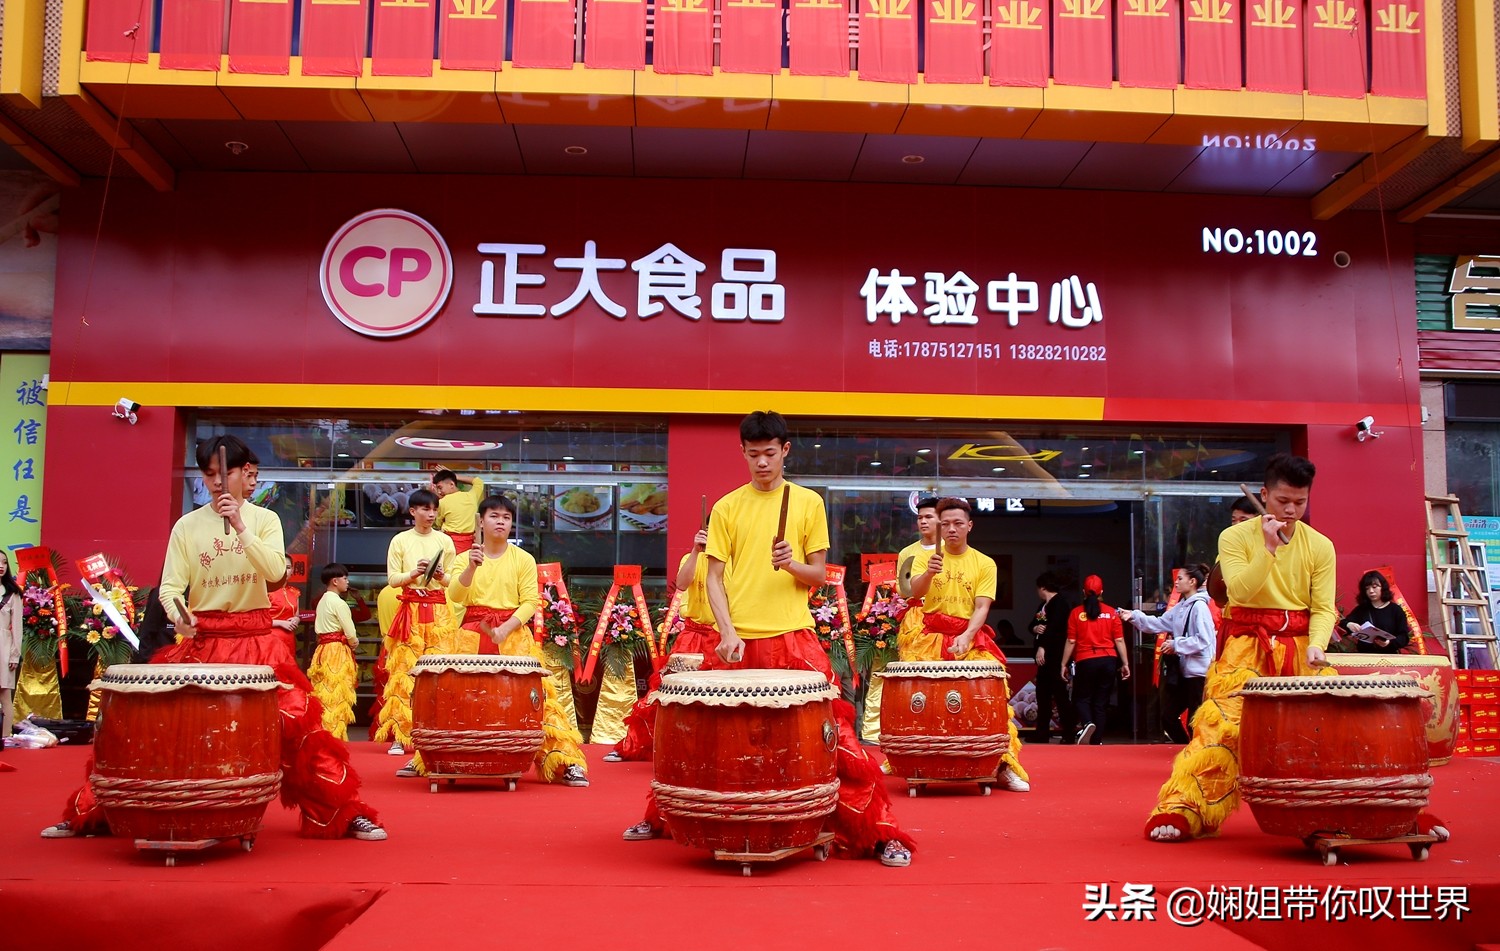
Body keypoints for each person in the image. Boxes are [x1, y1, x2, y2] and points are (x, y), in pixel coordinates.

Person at [43, 435, 384, 841]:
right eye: (209, 475)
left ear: (245, 473)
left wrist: (240, 526)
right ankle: (100, 809)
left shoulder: (264, 520)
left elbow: (276, 574)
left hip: (257, 640)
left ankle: (340, 811)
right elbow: (171, 588)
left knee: (298, 725)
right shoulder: (187, 526)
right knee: (149, 725)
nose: (217, 482)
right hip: (202, 641)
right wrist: (180, 616)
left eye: (226, 473)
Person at [623, 411, 916, 868]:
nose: (762, 462)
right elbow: (712, 577)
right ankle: (668, 816)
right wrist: (726, 631)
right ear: (742, 452)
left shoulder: (807, 503)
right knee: (701, 736)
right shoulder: (727, 507)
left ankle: (879, 832)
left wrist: (791, 563)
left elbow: (818, 575)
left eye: (770, 453)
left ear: (785, 451)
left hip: (791, 638)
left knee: (832, 735)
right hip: (735, 642)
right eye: (754, 454)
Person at [1143, 453, 1417, 843]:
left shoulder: (1319, 545)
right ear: (1264, 495)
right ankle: (1186, 806)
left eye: (1300, 503)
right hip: (1246, 644)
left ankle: (1382, 811)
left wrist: (1318, 645)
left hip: (1300, 645)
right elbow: (1239, 592)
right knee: (1222, 726)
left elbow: (1322, 607)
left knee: (1340, 728)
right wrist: (1268, 549)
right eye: (1282, 501)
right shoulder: (1234, 537)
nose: (1290, 511)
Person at [447, 495, 589, 787]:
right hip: (471, 635)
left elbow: (530, 602)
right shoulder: (464, 558)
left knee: (537, 699)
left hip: (512, 636)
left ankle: (565, 761)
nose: (500, 522)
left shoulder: (523, 559)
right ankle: (434, 756)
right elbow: (456, 596)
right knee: (456, 695)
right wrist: (471, 568)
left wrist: (505, 628)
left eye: (506, 517)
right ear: (481, 521)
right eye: (494, 516)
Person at [904, 497, 1030, 790]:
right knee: (923, 701)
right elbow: (914, 593)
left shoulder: (984, 563)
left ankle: (1001, 765)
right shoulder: (925, 557)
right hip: (930, 637)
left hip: (969, 636)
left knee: (991, 699)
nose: (951, 529)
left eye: (958, 523)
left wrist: (968, 635)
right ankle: (915, 760)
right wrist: (929, 572)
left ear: (969, 526)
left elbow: (982, 606)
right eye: (945, 523)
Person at [605, 526, 717, 762]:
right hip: (693, 636)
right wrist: (696, 552)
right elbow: (683, 585)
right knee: (666, 692)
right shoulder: (692, 557)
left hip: (724, 637)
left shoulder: (737, 559)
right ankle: (636, 745)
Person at [374, 487, 462, 760]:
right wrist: (414, 573)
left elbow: (454, 582)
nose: (431, 514)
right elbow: (392, 579)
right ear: (413, 511)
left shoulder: (445, 541)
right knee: (403, 671)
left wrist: (441, 575)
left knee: (442, 671)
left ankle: (441, 732)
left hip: (439, 610)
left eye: (434, 509)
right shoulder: (400, 540)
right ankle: (400, 736)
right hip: (410, 610)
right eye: (425, 509)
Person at [859, 497, 938, 742]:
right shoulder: (907, 552)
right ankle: (911, 731)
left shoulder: (952, 550)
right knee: (912, 676)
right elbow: (904, 590)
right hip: (914, 621)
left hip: (944, 620)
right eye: (920, 517)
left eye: (929, 517)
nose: (923, 522)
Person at [1122, 565, 1216, 745]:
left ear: (1192, 581)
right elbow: (1159, 623)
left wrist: (1176, 644)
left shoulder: (1199, 607)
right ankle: (1186, 748)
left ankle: (1194, 751)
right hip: (1186, 672)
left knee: (1194, 720)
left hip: (1199, 673)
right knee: (1169, 716)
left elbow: (1204, 640)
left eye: (1180, 578)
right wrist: (1133, 616)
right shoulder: (1182, 606)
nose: (1176, 582)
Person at [1059, 575, 1129, 745]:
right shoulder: (1112, 613)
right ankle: (1096, 740)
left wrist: (1063, 664)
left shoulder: (1076, 613)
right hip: (1109, 660)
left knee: (1081, 698)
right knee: (1101, 702)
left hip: (1086, 660)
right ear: (1101, 592)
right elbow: (1119, 640)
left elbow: (1071, 641)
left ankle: (1087, 723)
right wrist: (1125, 663)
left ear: (1083, 592)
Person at [310, 563, 361, 742]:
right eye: (345, 578)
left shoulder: (322, 601)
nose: (347, 582)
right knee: (337, 692)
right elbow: (350, 632)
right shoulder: (339, 603)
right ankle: (334, 735)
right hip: (337, 650)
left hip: (322, 650)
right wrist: (354, 642)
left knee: (323, 691)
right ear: (335, 581)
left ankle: (323, 732)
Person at [1028, 572, 1076, 744]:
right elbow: (1032, 625)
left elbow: (1056, 629)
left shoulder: (1060, 603)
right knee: (1042, 696)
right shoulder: (1043, 605)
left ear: (1043, 587)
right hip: (1044, 661)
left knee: (1060, 695)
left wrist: (1042, 647)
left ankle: (1069, 733)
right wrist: (1035, 629)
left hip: (1056, 657)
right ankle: (1042, 733)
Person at [1338, 570, 1412, 654]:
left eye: (1374, 587)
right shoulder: (1362, 609)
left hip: (1388, 656)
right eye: (1367, 588)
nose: (1371, 591)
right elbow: (1342, 623)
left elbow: (1404, 637)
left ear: (1383, 587)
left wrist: (1389, 643)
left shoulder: (1395, 610)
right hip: (1365, 655)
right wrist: (1349, 624)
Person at [433, 469, 485, 554]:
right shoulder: (471, 496)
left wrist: (452, 475)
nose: (439, 492)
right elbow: (478, 481)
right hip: (469, 542)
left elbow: (438, 524)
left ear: (452, 484)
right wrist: (454, 476)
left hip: (449, 541)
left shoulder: (442, 502)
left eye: (440, 487)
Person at [0, 551, 22, 746]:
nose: (1, 566)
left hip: (3, 648)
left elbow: (17, 627)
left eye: (4, 563)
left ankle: (5, 736)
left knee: (4, 694)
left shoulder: (13, 594)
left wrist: (15, 654)